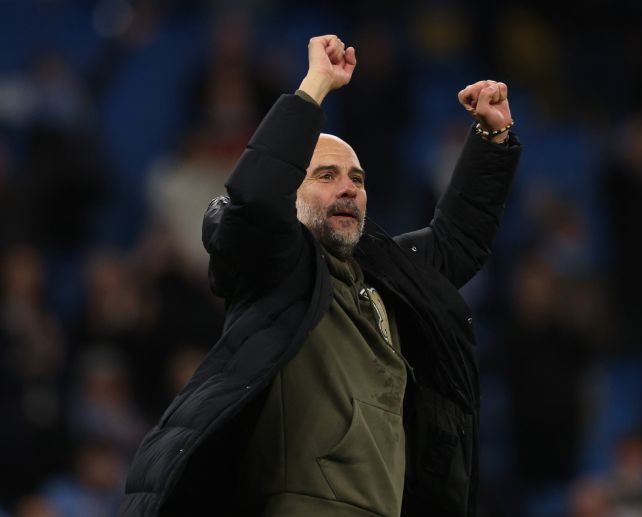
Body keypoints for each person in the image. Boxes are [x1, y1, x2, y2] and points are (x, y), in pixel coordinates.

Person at [118, 34, 522, 517]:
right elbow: (255, 198)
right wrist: (314, 88)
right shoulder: (276, 265)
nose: (348, 188)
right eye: (326, 176)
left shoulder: (386, 278)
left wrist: (492, 137)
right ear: (291, 194)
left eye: (357, 179)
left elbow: (457, 241)